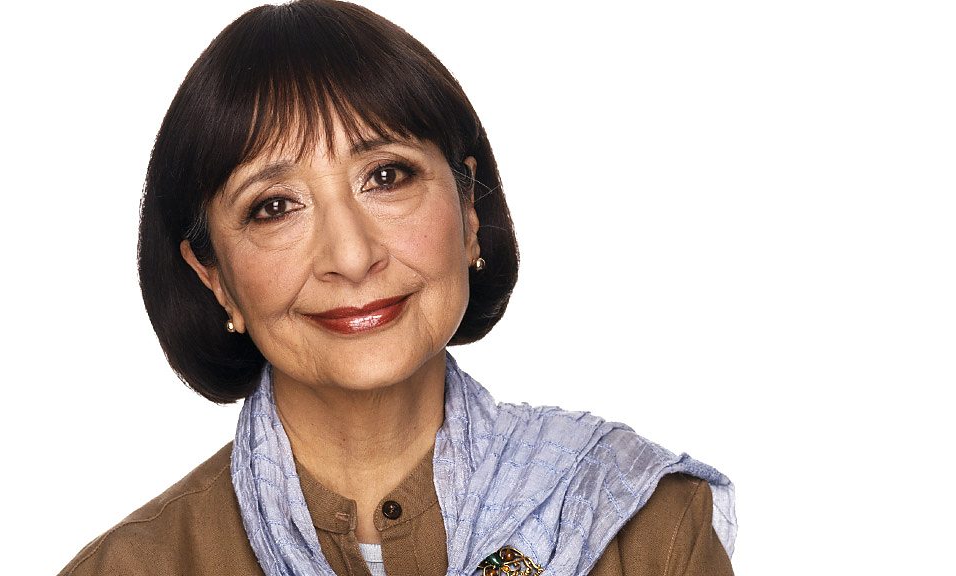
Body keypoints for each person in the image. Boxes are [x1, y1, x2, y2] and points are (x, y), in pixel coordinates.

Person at [60, 1, 736, 574]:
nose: (352, 257)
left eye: (386, 176)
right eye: (275, 207)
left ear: (468, 211)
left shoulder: (644, 529)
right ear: (215, 278)